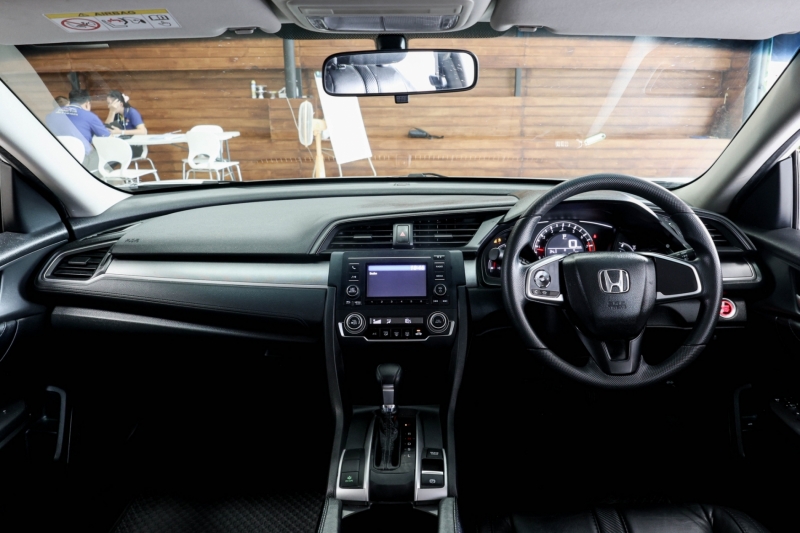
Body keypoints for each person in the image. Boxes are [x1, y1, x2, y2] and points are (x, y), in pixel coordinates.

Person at [45, 89, 110, 169]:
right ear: (87, 103)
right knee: (106, 165)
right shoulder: (89, 116)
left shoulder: (50, 116)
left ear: (70, 101)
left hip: (59, 157)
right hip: (82, 158)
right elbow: (105, 136)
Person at [105, 90, 147, 157]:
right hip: (121, 145)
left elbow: (143, 131)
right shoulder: (115, 114)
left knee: (111, 156)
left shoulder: (132, 112)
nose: (109, 107)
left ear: (120, 104)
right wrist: (112, 112)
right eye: (108, 104)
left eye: (110, 103)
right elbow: (106, 129)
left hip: (134, 147)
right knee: (107, 154)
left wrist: (121, 132)